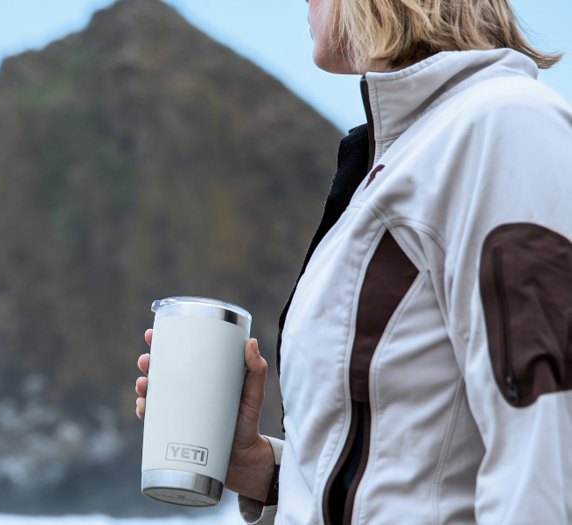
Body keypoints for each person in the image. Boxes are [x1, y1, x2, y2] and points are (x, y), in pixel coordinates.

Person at [136, 0, 572, 523]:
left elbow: (549, 436)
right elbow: (405, 460)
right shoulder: (394, 161)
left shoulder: (503, 123)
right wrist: (262, 469)